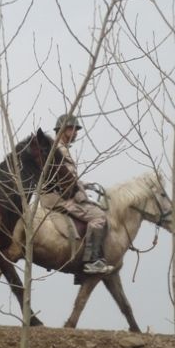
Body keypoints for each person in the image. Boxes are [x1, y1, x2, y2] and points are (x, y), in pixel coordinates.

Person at [42, 114, 114, 275]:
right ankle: (92, 261)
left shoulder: (59, 149)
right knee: (99, 217)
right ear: (61, 130)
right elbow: (63, 181)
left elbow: (67, 178)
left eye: (76, 129)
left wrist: (85, 185)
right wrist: (79, 193)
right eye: (71, 129)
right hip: (59, 199)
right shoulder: (58, 150)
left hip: (59, 194)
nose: (75, 132)